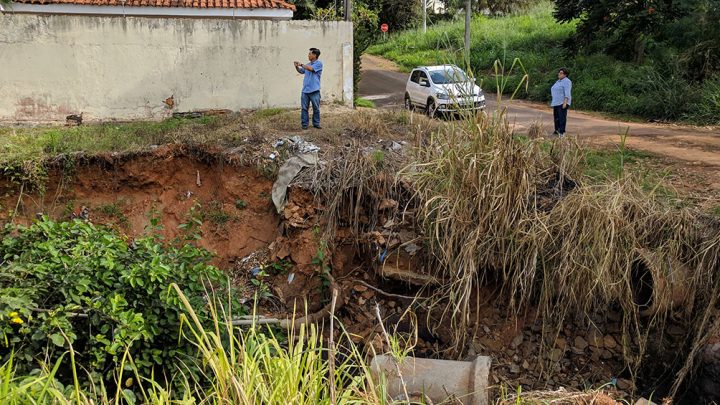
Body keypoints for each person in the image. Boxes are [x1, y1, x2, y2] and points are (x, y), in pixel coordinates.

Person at [294, 48, 324, 130]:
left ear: (314, 55)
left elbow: (311, 69)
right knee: (304, 108)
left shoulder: (319, 64)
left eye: (310, 54)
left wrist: (301, 64)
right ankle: (304, 125)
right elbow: (301, 71)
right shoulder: (307, 64)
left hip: (314, 90)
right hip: (305, 90)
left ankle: (316, 124)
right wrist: (296, 67)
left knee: (316, 108)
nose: (308, 55)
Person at [550, 67, 572, 137]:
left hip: (562, 102)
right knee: (556, 117)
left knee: (562, 117)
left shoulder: (567, 81)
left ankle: (562, 132)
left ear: (565, 75)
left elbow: (567, 92)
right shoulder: (558, 81)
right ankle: (557, 130)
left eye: (561, 73)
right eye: (559, 73)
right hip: (556, 102)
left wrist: (565, 102)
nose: (559, 74)